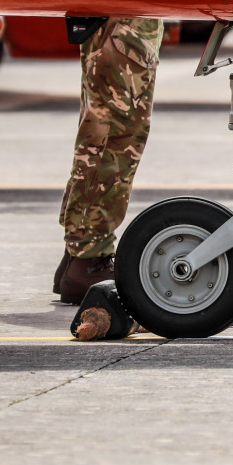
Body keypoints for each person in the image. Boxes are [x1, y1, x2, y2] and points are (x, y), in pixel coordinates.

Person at [54, 16, 164, 306]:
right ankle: (89, 258)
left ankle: (79, 253)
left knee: (103, 130)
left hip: (125, 15)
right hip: (128, 13)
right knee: (114, 137)